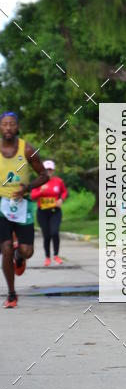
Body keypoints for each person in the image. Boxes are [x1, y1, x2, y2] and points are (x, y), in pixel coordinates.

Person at [0, 112, 48, 308]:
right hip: (1, 205)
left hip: (22, 204)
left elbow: (44, 175)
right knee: (6, 249)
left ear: (17, 127)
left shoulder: (27, 149)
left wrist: (27, 188)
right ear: (0, 128)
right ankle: (11, 294)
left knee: (27, 251)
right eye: (4, 125)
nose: (8, 128)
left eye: (12, 124)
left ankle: (21, 257)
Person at [30, 160, 68, 266]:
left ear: (53, 170)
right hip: (42, 212)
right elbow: (32, 196)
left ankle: (56, 255)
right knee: (46, 235)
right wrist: (40, 191)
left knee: (54, 232)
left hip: (55, 211)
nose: (48, 172)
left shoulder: (58, 181)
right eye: (46, 170)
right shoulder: (38, 182)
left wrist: (61, 199)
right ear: (43, 170)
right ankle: (47, 257)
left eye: (50, 170)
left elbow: (64, 192)